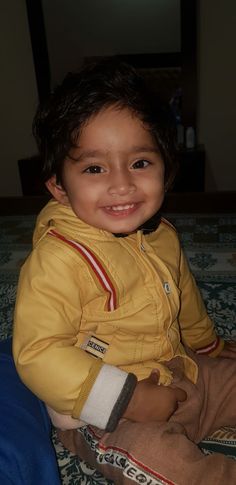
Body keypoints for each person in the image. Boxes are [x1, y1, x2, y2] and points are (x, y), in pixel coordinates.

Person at [13, 59, 236, 484]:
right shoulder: (57, 260)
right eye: (94, 168)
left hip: (183, 372)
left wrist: (207, 344)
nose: (121, 185)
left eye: (140, 163)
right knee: (157, 459)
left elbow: (184, 295)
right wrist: (128, 399)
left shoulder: (162, 235)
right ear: (59, 186)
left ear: (166, 169)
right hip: (109, 416)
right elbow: (39, 353)